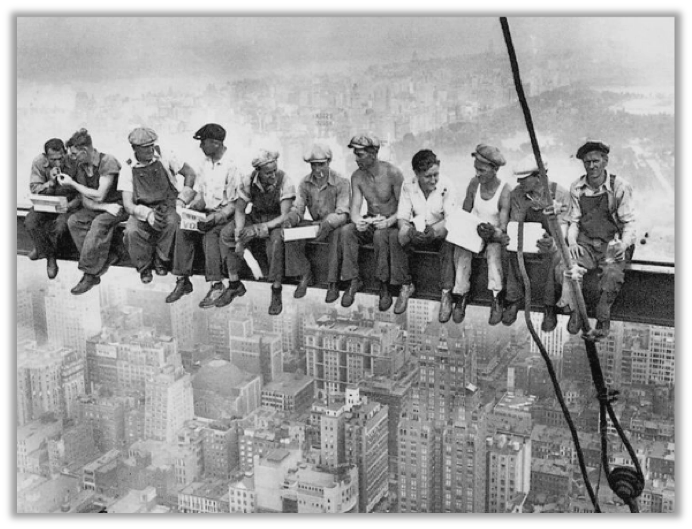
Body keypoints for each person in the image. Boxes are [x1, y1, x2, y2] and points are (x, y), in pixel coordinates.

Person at [556, 140, 636, 339]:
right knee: (568, 267)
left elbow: (629, 222)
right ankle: (575, 311)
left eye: (595, 161)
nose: (591, 166)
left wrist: (623, 245)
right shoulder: (577, 187)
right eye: (587, 162)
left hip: (612, 244)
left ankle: (603, 316)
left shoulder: (619, 187)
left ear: (605, 161)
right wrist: (572, 242)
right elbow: (574, 220)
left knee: (611, 274)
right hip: (587, 243)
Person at [165, 123, 240, 308]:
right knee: (183, 229)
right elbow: (200, 194)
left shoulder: (232, 166)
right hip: (207, 212)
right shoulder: (205, 164)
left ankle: (216, 285)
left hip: (225, 216)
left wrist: (217, 217)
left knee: (211, 236)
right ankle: (183, 279)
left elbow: (235, 203)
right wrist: (188, 208)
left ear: (215, 143)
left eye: (203, 143)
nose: (201, 147)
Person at [218, 149, 297, 315]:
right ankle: (234, 283)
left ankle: (276, 288)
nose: (273, 175)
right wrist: (239, 236)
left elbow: (284, 216)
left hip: (275, 221)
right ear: (258, 171)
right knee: (227, 232)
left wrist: (258, 229)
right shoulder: (248, 180)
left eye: (275, 170)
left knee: (276, 242)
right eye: (268, 173)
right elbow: (240, 210)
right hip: (256, 215)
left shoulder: (285, 181)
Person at [120, 127, 197, 284]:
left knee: (173, 223)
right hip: (142, 207)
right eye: (145, 147)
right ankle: (144, 267)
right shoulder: (128, 167)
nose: (150, 149)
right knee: (131, 231)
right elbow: (128, 205)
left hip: (167, 204)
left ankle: (162, 261)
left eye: (151, 145)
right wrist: (147, 214)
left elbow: (190, 173)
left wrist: (182, 199)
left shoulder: (164, 155)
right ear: (134, 148)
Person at [501, 156, 570, 331]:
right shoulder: (517, 194)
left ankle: (549, 307)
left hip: (551, 241)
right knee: (510, 252)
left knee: (555, 257)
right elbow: (516, 221)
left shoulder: (559, 193)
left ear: (538, 177)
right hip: (527, 238)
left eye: (523, 179)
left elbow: (563, 226)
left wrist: (552, 241)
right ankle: (513, 299)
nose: (519, 182)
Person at [341, 134, 406, 311]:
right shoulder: (357, 177)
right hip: (371, 219)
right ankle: (353, 279)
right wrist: (358, 221)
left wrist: (388, 221)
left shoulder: (393, 173)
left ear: (373, 154)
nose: (356, 159)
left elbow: (404, 208)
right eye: (355, 154)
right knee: (347, 231)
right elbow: (355, 207)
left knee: (380, 236)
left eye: (360, 155)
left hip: (390, 223)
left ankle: (383, 285)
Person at [59, 128, 127, 295]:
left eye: (75, 154)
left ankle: (89, 273)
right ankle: (107, 257)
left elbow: (99, 194)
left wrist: (73, 184)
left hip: (120, 206)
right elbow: (86, 199)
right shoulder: (82, 166)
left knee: (98, 223)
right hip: (104, 207)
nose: (73, 158)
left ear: (84, 150)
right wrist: (103, 207)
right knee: (74, 221)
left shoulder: (107, 162)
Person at [281, 143, 351, 304]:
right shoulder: (305, 183)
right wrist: (290, 219)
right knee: (291, 233)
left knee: (337, 235)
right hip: (316, 224)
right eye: (314, 165)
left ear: (328, 162)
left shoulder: (341, 182)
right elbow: (298, 207)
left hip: (334, 224)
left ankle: (332, 283)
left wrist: (329, 222)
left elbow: (343, 212)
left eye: (321, 164)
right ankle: (305, 273)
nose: (317, 169)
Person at [396, 149, 458, 318]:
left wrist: (435, 231)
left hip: (440, 230)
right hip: (418, 228)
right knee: (399, 236)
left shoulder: (446, 185)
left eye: (435, 175)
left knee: (449, 242)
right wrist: (409, 230)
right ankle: (406, 284)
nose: (433, 180)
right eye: (428, 176)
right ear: (417, 174)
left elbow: (450, 218)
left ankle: (446, 293)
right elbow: (402, 216)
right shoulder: (408, 186)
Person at [455, 144, 511, 325]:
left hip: (492, 235)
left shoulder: (504, 191)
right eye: (476, 169)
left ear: (494, 170)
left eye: (482, 170)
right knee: (462, 249)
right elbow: (466, 211)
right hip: (475, 231)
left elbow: (503, 225)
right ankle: (461, 293)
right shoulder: (474, 184)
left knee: (494, 252)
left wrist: (493, 232)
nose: (477, 174)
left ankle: (496, 296)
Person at [24, 138, 80, 279]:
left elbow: (82, 192)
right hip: (46, 202)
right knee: (30, 222)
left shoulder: (74, 162)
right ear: (46, 156)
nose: (58, 162)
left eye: (60, 158)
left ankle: (47, 255)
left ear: (65, 152)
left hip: (67, 204)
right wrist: (51, 183)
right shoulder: (39, 162)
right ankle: (47, 253)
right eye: (53, 159)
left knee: (60, 227)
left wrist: (70, 205)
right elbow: (35, 189)